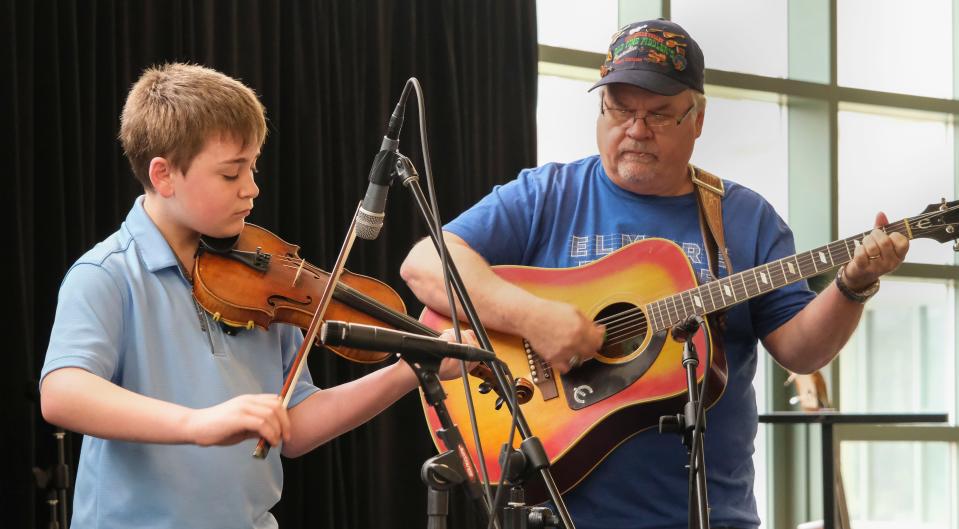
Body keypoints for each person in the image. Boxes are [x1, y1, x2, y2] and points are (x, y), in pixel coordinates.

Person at [400, 19, 909, 529]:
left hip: (710, 515)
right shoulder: (547, 194)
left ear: (698, 117)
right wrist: (535, 319)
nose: (637, 129)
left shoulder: (745, 218)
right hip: (554, 513)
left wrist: (852, 284)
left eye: (659, 114)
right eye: (620, 109)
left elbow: (802, 351)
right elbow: (424, 264)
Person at [40, 63, 471, 529]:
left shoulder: (265, 278)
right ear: (163, 176)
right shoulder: (107, 274)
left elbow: (297, 426)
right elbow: (64, 393)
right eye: (231, 174)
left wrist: (408, 369)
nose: (252, 188)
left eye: (253, 167)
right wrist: (198, 424)